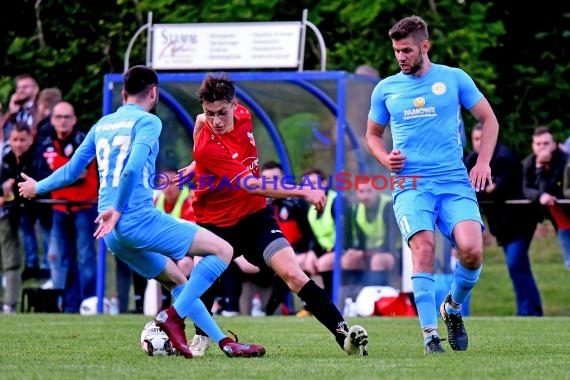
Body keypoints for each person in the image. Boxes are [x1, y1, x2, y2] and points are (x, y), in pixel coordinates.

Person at [18, 65, 264, 358]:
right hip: (134, 219)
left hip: (110, 232)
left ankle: (224, 342)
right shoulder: (148, 122)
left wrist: (37, 187)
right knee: (223, 251)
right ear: (154, 93)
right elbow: (133, 167)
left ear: (123, 94)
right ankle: (171, 318)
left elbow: (72, 170)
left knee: (177, 281)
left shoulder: (102, 125)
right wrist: (119, 210)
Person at [178, 72, 369, 357]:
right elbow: (254, 185)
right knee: (205, 280)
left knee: (293, 273)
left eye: (222, 112)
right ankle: (200, 337)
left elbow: (200, 121)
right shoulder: (209, 146)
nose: (216, 121)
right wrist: (304, 191)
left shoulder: (243, 114)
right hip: (215, 223)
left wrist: (195, 166)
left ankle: (343, 335)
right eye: (210, 113)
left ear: (234, 104)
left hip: (254, 217)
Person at [366, 15, 499, 353]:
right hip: (410, 183)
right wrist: (385, 159)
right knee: (422, 249)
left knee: (471, 252)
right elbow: (373, 135)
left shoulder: (453, 79)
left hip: (453, 180)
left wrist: (482, 161)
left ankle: (451, 308)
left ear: (425, 46)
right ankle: (430, 337)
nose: (400, 57)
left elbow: (488, 118)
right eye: (396, 51)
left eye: (407, 50)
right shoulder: (386, 89)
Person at [465, 123, 543, 316]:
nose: (479, 143)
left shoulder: (504, 157)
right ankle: (533, 310)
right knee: (518, 266)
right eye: (476, 139)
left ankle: (528, 312)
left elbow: (498, 188)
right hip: (501, 225)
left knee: (516, 263)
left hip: (520, 222)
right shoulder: (471, 159)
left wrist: (485, 188)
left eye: (482, 139)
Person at [35, 101, 99, 312]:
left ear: (74, 119)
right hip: (60, 208)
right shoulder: (46, 143)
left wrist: (57, 163)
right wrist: (63, 164)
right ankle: (71, 305)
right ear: (52, 120)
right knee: (64, 258)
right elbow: (44, 172)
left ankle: (89, 302)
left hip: (84, 206)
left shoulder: (83, 140)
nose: (63, 121)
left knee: (85, 257)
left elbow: (79, 174)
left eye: (67, 117)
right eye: (59, 117)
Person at [522, 126, 570, 271]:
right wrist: (540, 195)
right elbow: (525, 189)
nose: (542, 147)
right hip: (562, 222)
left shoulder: (564, 161)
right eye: (538, 144)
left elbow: (554, 189)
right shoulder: (529, 163)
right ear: (533, 145)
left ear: (554, 144)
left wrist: (540, 167)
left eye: (546, 143)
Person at [0, 122, 35, 313]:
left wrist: (8, 189)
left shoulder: (33, 158)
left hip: (12, 215)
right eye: (15, 139)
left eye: (22, 140)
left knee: (11, 260)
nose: (19, 144)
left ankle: (10, 304)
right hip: (9, 212)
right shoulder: (7, 158)